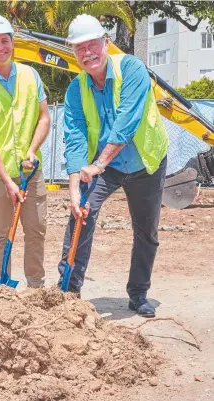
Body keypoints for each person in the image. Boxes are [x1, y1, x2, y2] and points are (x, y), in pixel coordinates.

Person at [57, 14, 169, 317]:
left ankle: (138, 294)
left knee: (146, 231)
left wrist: (98, 164)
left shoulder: (132, 69)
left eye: (92, 44)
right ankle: (68, 291)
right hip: (105, 167)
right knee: (80, 215)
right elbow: (75, 137)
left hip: (146, 162)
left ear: (106, 42)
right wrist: (73, 189)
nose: (87, 52)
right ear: (73, 53)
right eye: (79, 48)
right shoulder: (75, 90)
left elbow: (126, 123)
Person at [0, 15, 50, 288]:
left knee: (36, 229)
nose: (0, 47)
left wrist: (32, 150)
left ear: (13, 43)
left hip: (29, 169)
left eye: (5, 41)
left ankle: (36, 286)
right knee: (2, 233)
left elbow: (44, 118)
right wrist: (6, 181)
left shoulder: (30, 75)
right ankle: (3, 287)